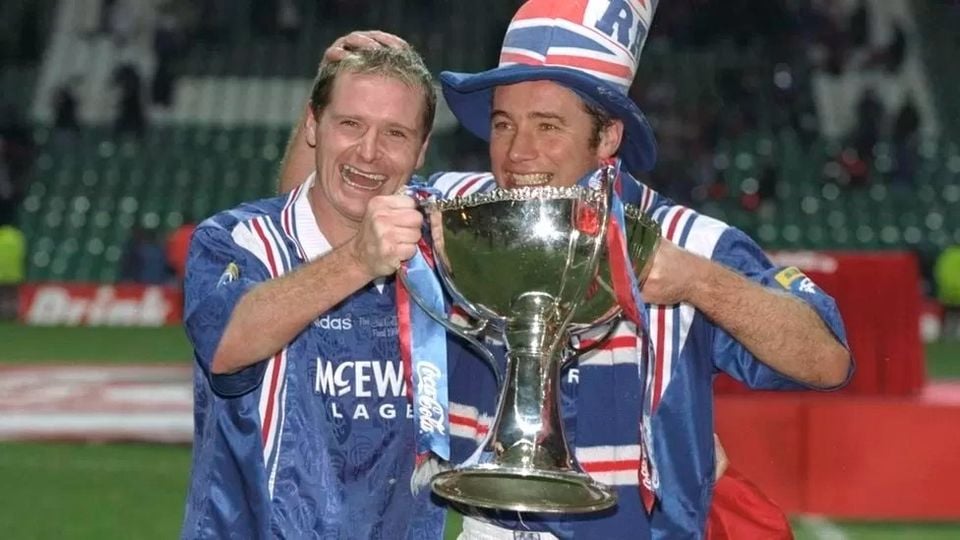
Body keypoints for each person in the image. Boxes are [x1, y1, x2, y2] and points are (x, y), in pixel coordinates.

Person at [278, 3, 851, 539]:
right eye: (503, 124)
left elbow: (826, 360)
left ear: (608, 137)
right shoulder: (457, 214)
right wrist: (333, 98)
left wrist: (700, 283)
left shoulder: (683, 241)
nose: (518, 152)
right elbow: (313, 216)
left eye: (548, 126)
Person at [180, 46, 451, 538]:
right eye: (350, 124)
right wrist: (357, 260)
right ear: (313, 126)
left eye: (395, 133)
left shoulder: (445, 247)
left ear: (422, 148)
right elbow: (226, 345)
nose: (369, 151)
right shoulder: (238, 241)